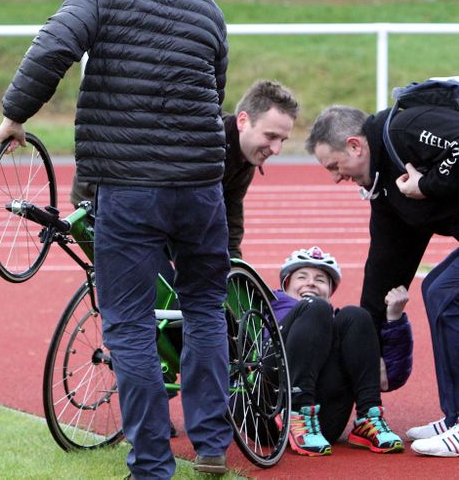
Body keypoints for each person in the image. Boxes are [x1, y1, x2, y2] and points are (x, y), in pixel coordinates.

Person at [0, 0, 233, 478]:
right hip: (203, 188)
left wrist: (14, 115)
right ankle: (210, 445)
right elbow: (215, 91)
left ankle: (151, 464)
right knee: (204, 308)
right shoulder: (207, 7)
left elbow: (54, 47)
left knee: (128, 322)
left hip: (130, 189)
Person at [305, 96, 459, 457]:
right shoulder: (386, 188)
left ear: (355, 145)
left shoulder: (405, 130)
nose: (335, 178)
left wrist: (429, 185)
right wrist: (367, 346)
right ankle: (454, 417)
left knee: (448, 297)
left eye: (333, 165)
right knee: (436, 287)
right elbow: (384, 270)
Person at [71, 78, 298, 257]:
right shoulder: (205, 136)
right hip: (102, 191)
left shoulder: (244, 157)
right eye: (271, 136)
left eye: (283, 140)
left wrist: (233, 264)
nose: (276, 149)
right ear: (242, 121)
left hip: (143, 203)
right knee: (164, 284)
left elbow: (231, 215)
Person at [271, 246, 410, 456]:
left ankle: (368, 418)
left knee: (356, 315)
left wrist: (394, 318)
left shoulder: (343, 328)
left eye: (320, 280)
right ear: (286, 285)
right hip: (268, 414)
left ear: (330, 291)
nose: (310, 282)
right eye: (302, 277)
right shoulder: (267, 307)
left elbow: (386, 379)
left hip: (324, 426)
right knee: (315, 308)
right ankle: (296, 412)